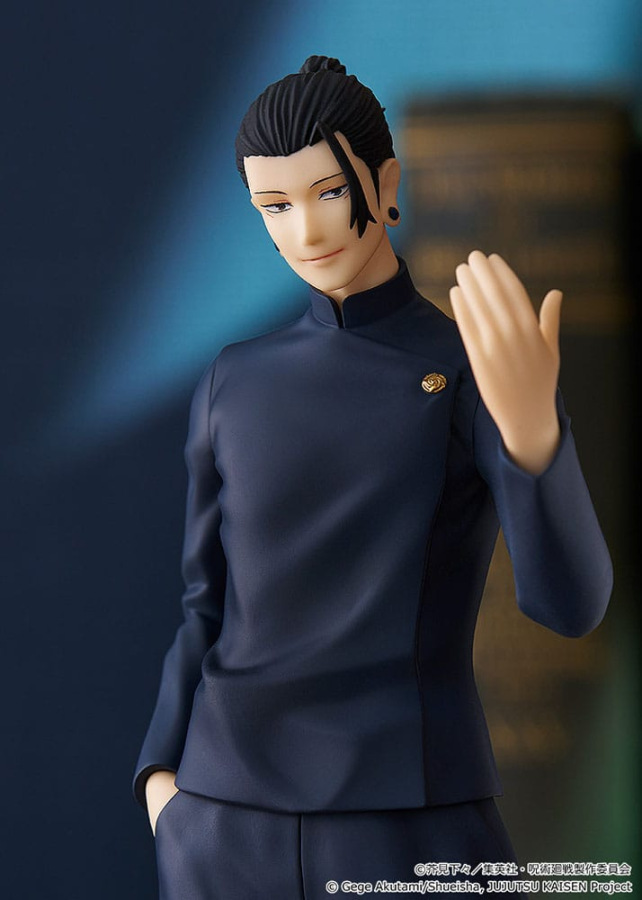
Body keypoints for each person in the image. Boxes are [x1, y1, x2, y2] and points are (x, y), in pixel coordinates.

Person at [132, 56, 613, 899]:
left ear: (385, 183)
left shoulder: (465, 369)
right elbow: (205, 603)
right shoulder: (233, 379)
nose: (306, 232)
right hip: (221, 818)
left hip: (410, 813)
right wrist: (160, 782)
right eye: (274, 206)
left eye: (327, 192)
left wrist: (536, 439)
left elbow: (569, 606)